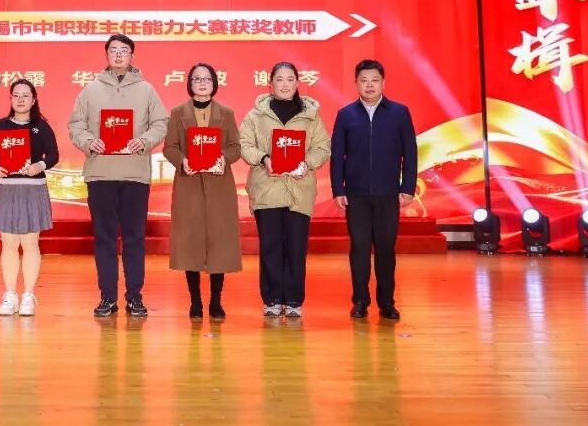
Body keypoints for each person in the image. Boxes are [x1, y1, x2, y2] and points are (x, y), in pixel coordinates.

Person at [68, 34, 169, 318]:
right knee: (105, 239)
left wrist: (144, 141)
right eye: (113, 50)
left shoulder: (147, 90)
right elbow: (76, 125)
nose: (119, 54)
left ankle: (135, 297)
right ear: (106, 55)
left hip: (135, 175)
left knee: (135, 239)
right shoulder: (90, 90)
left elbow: (161, 123)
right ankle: (107, 297)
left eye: (124, 50)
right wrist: (89, 142)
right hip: (100, 173)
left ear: (132, 55)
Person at [239, 61, 330, 317]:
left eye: (290, 79)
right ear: (270, 84)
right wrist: (264, 158)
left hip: (299, 190)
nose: (285, 84)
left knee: (296, 247)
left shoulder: (311, 116)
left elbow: (322, 148)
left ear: (298, 83)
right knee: (270, 246)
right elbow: (244, 144)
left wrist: (307, 163)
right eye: (279, 79)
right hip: (267, 189)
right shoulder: (255, 116)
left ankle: (293, 300)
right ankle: (271, 298)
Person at [330, 59, 417, 321]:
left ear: (383, 83)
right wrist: (338, 188)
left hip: (388, 193)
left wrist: (407, 186)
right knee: (359, 248)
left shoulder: (399, 113)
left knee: (385, 248)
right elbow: (337, 155)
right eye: (364, 80)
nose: (369, 85)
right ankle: (360, 301)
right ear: (356, 83)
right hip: (355, 195)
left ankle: (387, 302)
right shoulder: (346, 114)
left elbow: (410, 153)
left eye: (375, 80)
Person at [162, 62, 242, 321]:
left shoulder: (226, 113)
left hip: (219, 185)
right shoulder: (178, 113)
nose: (202, 83)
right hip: (190, 184)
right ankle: (195, 301)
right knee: (191, 243)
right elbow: (169, 147)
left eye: (207, 79)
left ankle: (216, 301)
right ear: (190, 84)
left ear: (214, 83)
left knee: (220, 243)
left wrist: (223, 158)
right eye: (197, 79)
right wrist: (182, 160)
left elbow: (235, 147)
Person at [0, 78, 59, 317]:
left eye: (26, 95)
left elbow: (53, 155)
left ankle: (27, 295)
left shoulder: (41, 127)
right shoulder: (0, 125)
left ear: (34, 99)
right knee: (9, 244)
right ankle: (10, 295)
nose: (21, 99)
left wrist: (39, 166)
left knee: (30, 243)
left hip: (32, 189)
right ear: (10, 99)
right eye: (16, 95)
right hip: (7, 190)